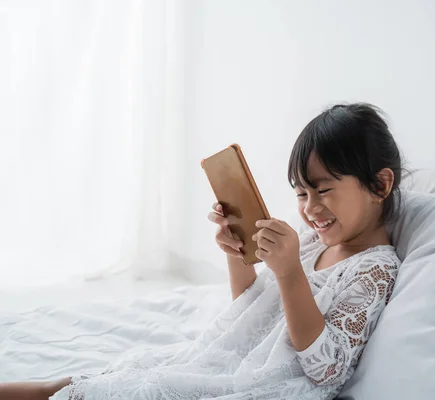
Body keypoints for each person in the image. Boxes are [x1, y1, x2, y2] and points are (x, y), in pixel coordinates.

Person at [0, 103, 404, 400]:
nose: (310, 208)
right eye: (300, 193)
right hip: (226, 358)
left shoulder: (375, 268)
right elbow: (250, 314)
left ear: (380, 186)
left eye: (324, 190)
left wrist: (289, 274)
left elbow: (327, 369)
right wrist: (236, 254)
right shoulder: (314, 242)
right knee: (79, 384)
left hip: (261, 382)